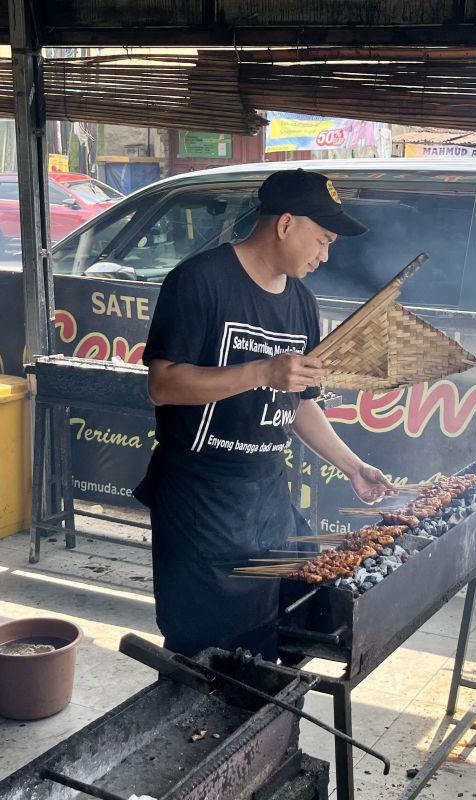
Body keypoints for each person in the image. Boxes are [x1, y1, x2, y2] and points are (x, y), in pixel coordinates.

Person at [134, 169, 395, 659]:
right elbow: (162, 384)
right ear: (286, 224)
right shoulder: (200, 281)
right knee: (204, 649)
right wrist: (259, 372)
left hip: (268, 498)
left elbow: (300, 403)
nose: (325, 255)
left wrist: (353, 466)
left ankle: (266, 730)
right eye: (322, 240)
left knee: (280, 633)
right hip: (198, 501)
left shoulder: (301, 302)